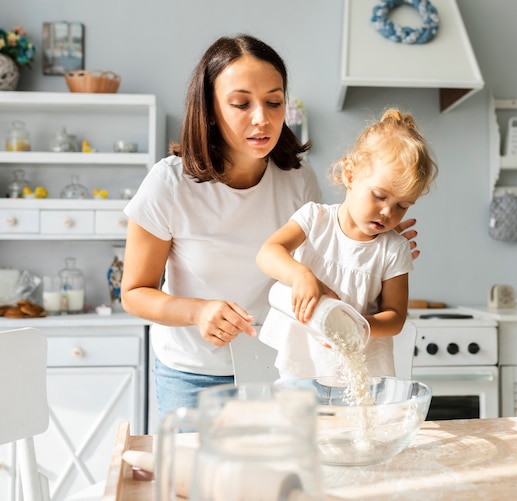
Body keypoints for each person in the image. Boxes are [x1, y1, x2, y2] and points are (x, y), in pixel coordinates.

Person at [120, 35, 421, 418]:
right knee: (195, 478)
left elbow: (322, 264)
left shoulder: (298, 180)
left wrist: (372, 241)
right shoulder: (169, 184)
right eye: (241, 103)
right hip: (193, 373)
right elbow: (134, 293)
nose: (262, 118)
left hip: (279, 369)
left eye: (274, 102)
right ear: (210, 109)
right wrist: (197, 311)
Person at [257, 108, 438, 381]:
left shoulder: (393, 249)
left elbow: (396, 317)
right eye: (379, 196)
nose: (388, 213)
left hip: (361, 374)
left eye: (402, 206)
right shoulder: (314, 219)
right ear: (350, 175)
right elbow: (268, 253)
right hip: (303, 367)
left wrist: (360, 326)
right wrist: (302, 274)